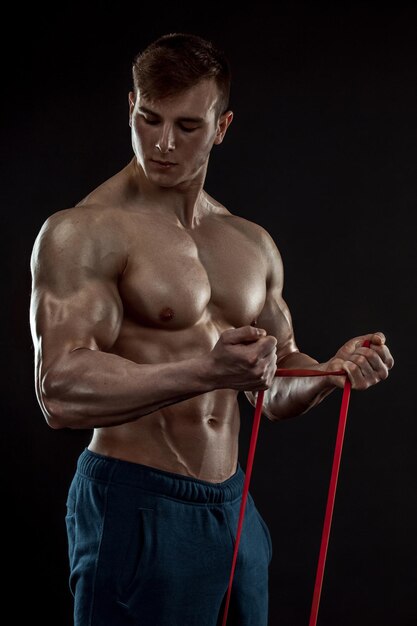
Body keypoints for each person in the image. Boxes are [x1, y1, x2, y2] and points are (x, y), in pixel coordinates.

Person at [29, 32, 394, 626]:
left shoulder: (249, 243)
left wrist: (331, 372)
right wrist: (205, 371)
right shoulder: (83, 231)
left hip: (232, 507)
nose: (163, 143)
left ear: (222, 127)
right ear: (131, 107)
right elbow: (61, 391)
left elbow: (271, 389)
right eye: (149, 119)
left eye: (188, 126)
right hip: (136, 501)